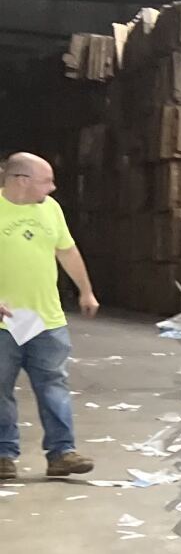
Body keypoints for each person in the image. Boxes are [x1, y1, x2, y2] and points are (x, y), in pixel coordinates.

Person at [0, 152, 99, 482]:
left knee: (53, 386)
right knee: (0, 389)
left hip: (46, 320)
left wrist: (85, 289)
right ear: (21, 181)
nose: (53, 188)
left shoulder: (50, 209)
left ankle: (62, 453)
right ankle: (3, 455)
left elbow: (66, 250)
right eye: (46, 181)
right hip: (3, 322)